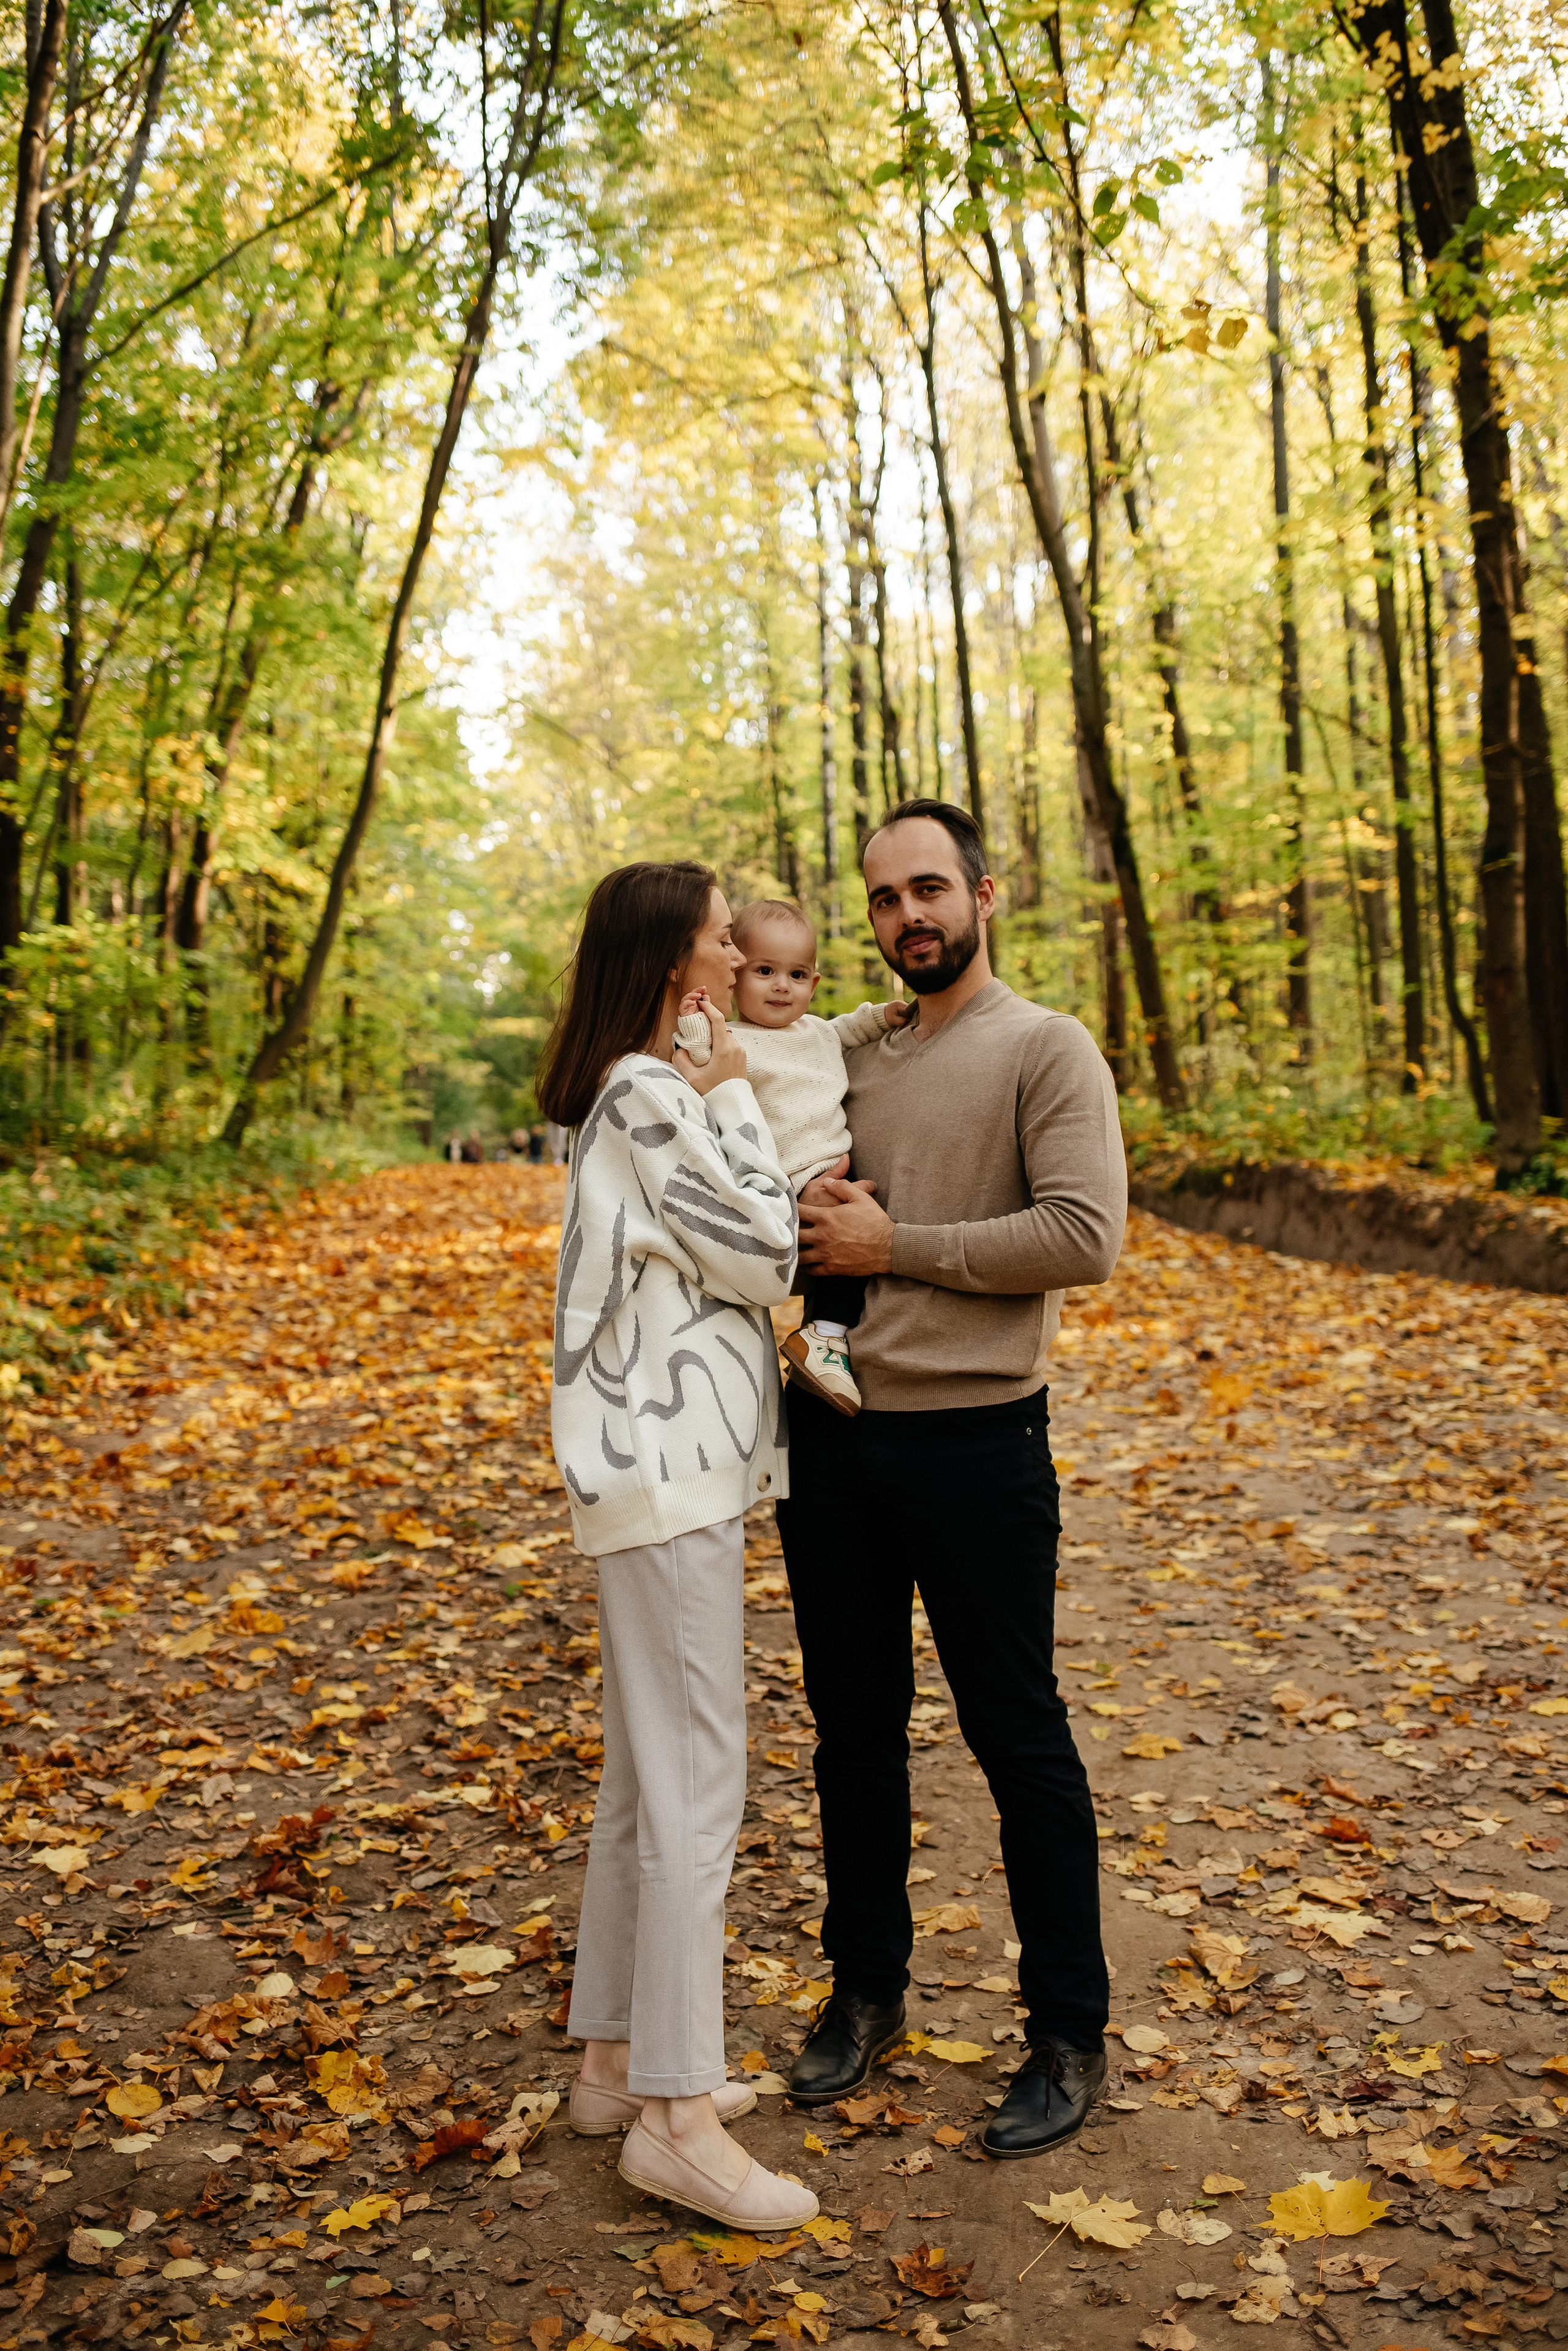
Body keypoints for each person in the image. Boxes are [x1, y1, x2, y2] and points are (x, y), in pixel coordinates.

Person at [774, 798, 1127, 2159]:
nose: (906, 914)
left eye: (928, 888)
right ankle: (866, 1990)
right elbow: (758, 1040)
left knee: (1014, 1732)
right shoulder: (846, 1053)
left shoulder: (1044, 1046)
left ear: (983, 893)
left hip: (979, 1439)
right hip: (834, 1438)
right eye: (881, 898)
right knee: (850, 1733)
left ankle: (1066, 2027)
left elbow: (1082, 1235)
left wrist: (893, 1243)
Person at [538, 858, 816, 2233]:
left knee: (650, 1781)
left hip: (658, 1474)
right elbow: (769, 1256)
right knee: (699, 1777)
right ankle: (677, 2112)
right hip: (666, 1479)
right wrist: (736, 1102)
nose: (736, 960)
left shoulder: (631, 1097)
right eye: (720, 940)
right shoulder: (657, 1098)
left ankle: (611, 2061)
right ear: (674, 967)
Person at [674, 898, 907, 1414]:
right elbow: (697, 1053)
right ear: (737, 975)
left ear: (814, 984)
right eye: (765, 971)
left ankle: (821, 1335)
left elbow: (852, 1028)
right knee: (845, 1233)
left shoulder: (818, 1032)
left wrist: (883, 1016)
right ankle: (825, 1337)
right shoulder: (737, 1041)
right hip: (785, 1176)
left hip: (830, 1165)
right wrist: (695, 1018)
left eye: (797, 974)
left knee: (857, 1237)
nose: (783, 985)